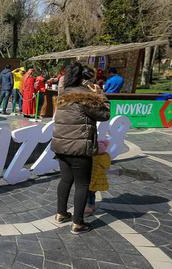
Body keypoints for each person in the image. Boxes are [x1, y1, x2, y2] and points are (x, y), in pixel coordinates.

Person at [51, 62, 110, 234]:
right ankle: (78, 223)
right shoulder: (86, 96)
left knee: (65, 179)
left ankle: (61, 213)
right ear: (86, 78)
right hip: (79, 147)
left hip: (60, 146)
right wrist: (100, 94)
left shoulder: (63, 94)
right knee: (82, 184)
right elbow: (105, 114)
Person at [85, 140, 111, 216]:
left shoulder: (94, 157)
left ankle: (89, 207)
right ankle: (90, 206)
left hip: (94, 179)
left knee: (89, 194)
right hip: (98, 179)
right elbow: (106, 166)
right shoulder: (106, 156)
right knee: (91, 193)